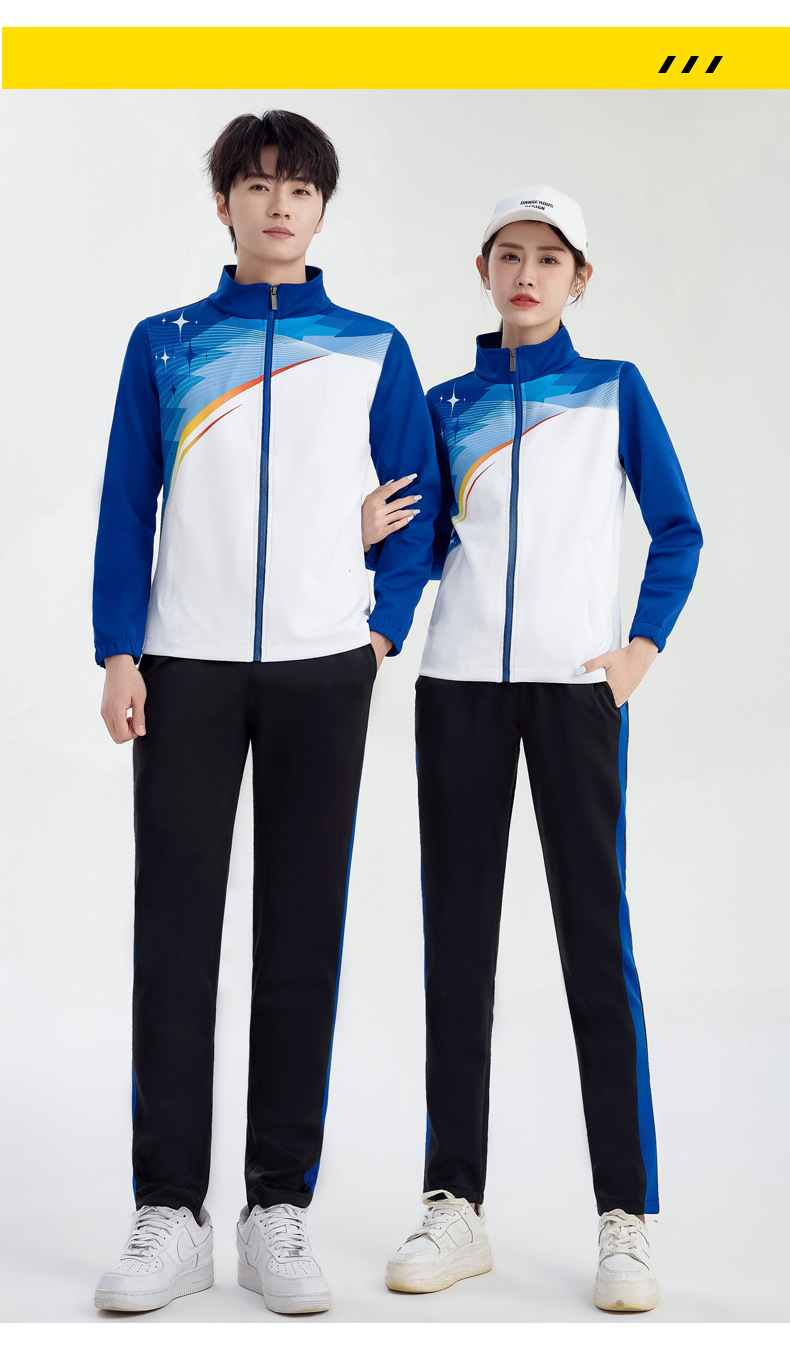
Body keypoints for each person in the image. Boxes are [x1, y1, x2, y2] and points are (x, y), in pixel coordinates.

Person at [91, 108, 439, 1316]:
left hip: (321, 671)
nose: (279, 204)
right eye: (257, 184)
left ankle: (275, 1206)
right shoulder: (166, 344)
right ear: (224, 204)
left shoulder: (371, 348)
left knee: (301, 935)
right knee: (174, 939)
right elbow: (126, 504)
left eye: (299, 188)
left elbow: (419, 507)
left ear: (322, 210)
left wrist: (379, 628)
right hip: (182, 668)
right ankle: (169, 1211)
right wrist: (118, 650)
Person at [368, 185, 702, 1312]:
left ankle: (625, 1218)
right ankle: (453, 1204)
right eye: (508, 255)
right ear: (483, 270)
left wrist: (638, 650)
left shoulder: (615, 392)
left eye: (548, 258)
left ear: (579, 279)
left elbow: (678, 526)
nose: (526, 273)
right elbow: (414, 548)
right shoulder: (443, 402)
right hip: (457, 690)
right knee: (456, 949)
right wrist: (362, 563)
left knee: (594, 947)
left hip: (575, 693)